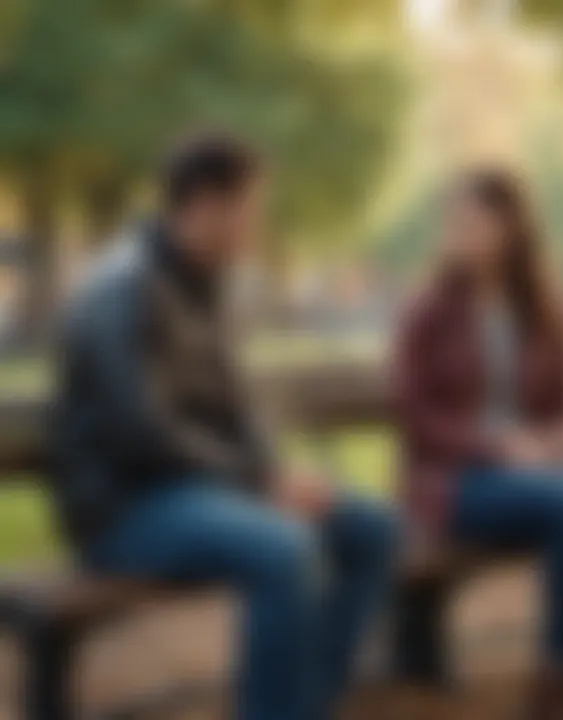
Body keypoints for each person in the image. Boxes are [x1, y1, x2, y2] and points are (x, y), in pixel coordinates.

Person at [51, 132, 398, 720]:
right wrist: (259, 486)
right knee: (284, 548)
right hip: (123, 510)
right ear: (209, 206)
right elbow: (141, 434)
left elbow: (235, 408)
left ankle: (309, 704)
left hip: (198, 490)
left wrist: (276, 472)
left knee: (371, 528)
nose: (257, 228)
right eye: (252, 210)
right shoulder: (120, 290)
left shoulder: (204, 283)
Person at [393, 170, 563, 719]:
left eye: (475, 221)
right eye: (454, 222)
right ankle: (561, 686)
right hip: (454, 481)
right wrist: (496, 446)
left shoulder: (547, 308)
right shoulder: (429, 310)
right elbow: (414, 413)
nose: (460, 233)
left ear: (510, 228)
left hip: (539, 473)